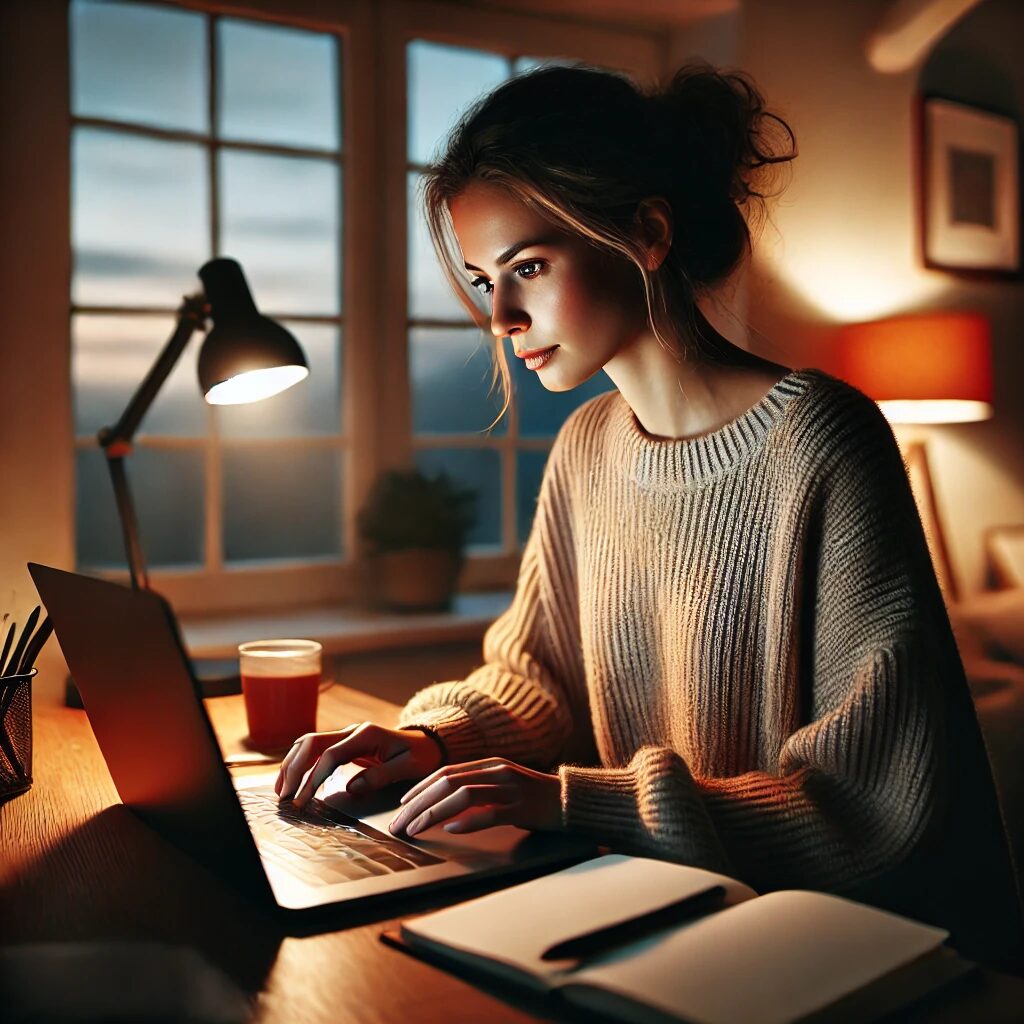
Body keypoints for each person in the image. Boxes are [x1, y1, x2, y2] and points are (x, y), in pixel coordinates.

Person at [276, 62, 1023, 968]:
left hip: (867, 958)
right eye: (484, 281)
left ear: (648, 233)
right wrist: (426, 741)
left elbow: (873, 805)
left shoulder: (825, 440)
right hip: (672, 913)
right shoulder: (588, 446)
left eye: (529, 267)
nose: (502, 316)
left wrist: (571, 803)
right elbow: (539, 683)